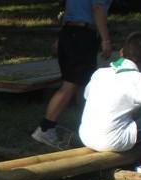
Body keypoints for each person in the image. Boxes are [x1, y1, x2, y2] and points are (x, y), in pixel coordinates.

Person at [78, 32, 141, 165]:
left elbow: (87, 95)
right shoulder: (137, 80)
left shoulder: (100, 73)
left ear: (121, 52)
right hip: (112, 140)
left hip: (86, 136)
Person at [32, 0, 112, 149]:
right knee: (70, 84)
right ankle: (45, 128)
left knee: (83, 83)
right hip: (82, 35)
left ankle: (88, 127)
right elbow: (98, 8)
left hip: (70, 33)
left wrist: (60, 38)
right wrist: (106, 40)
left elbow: (70, 11)